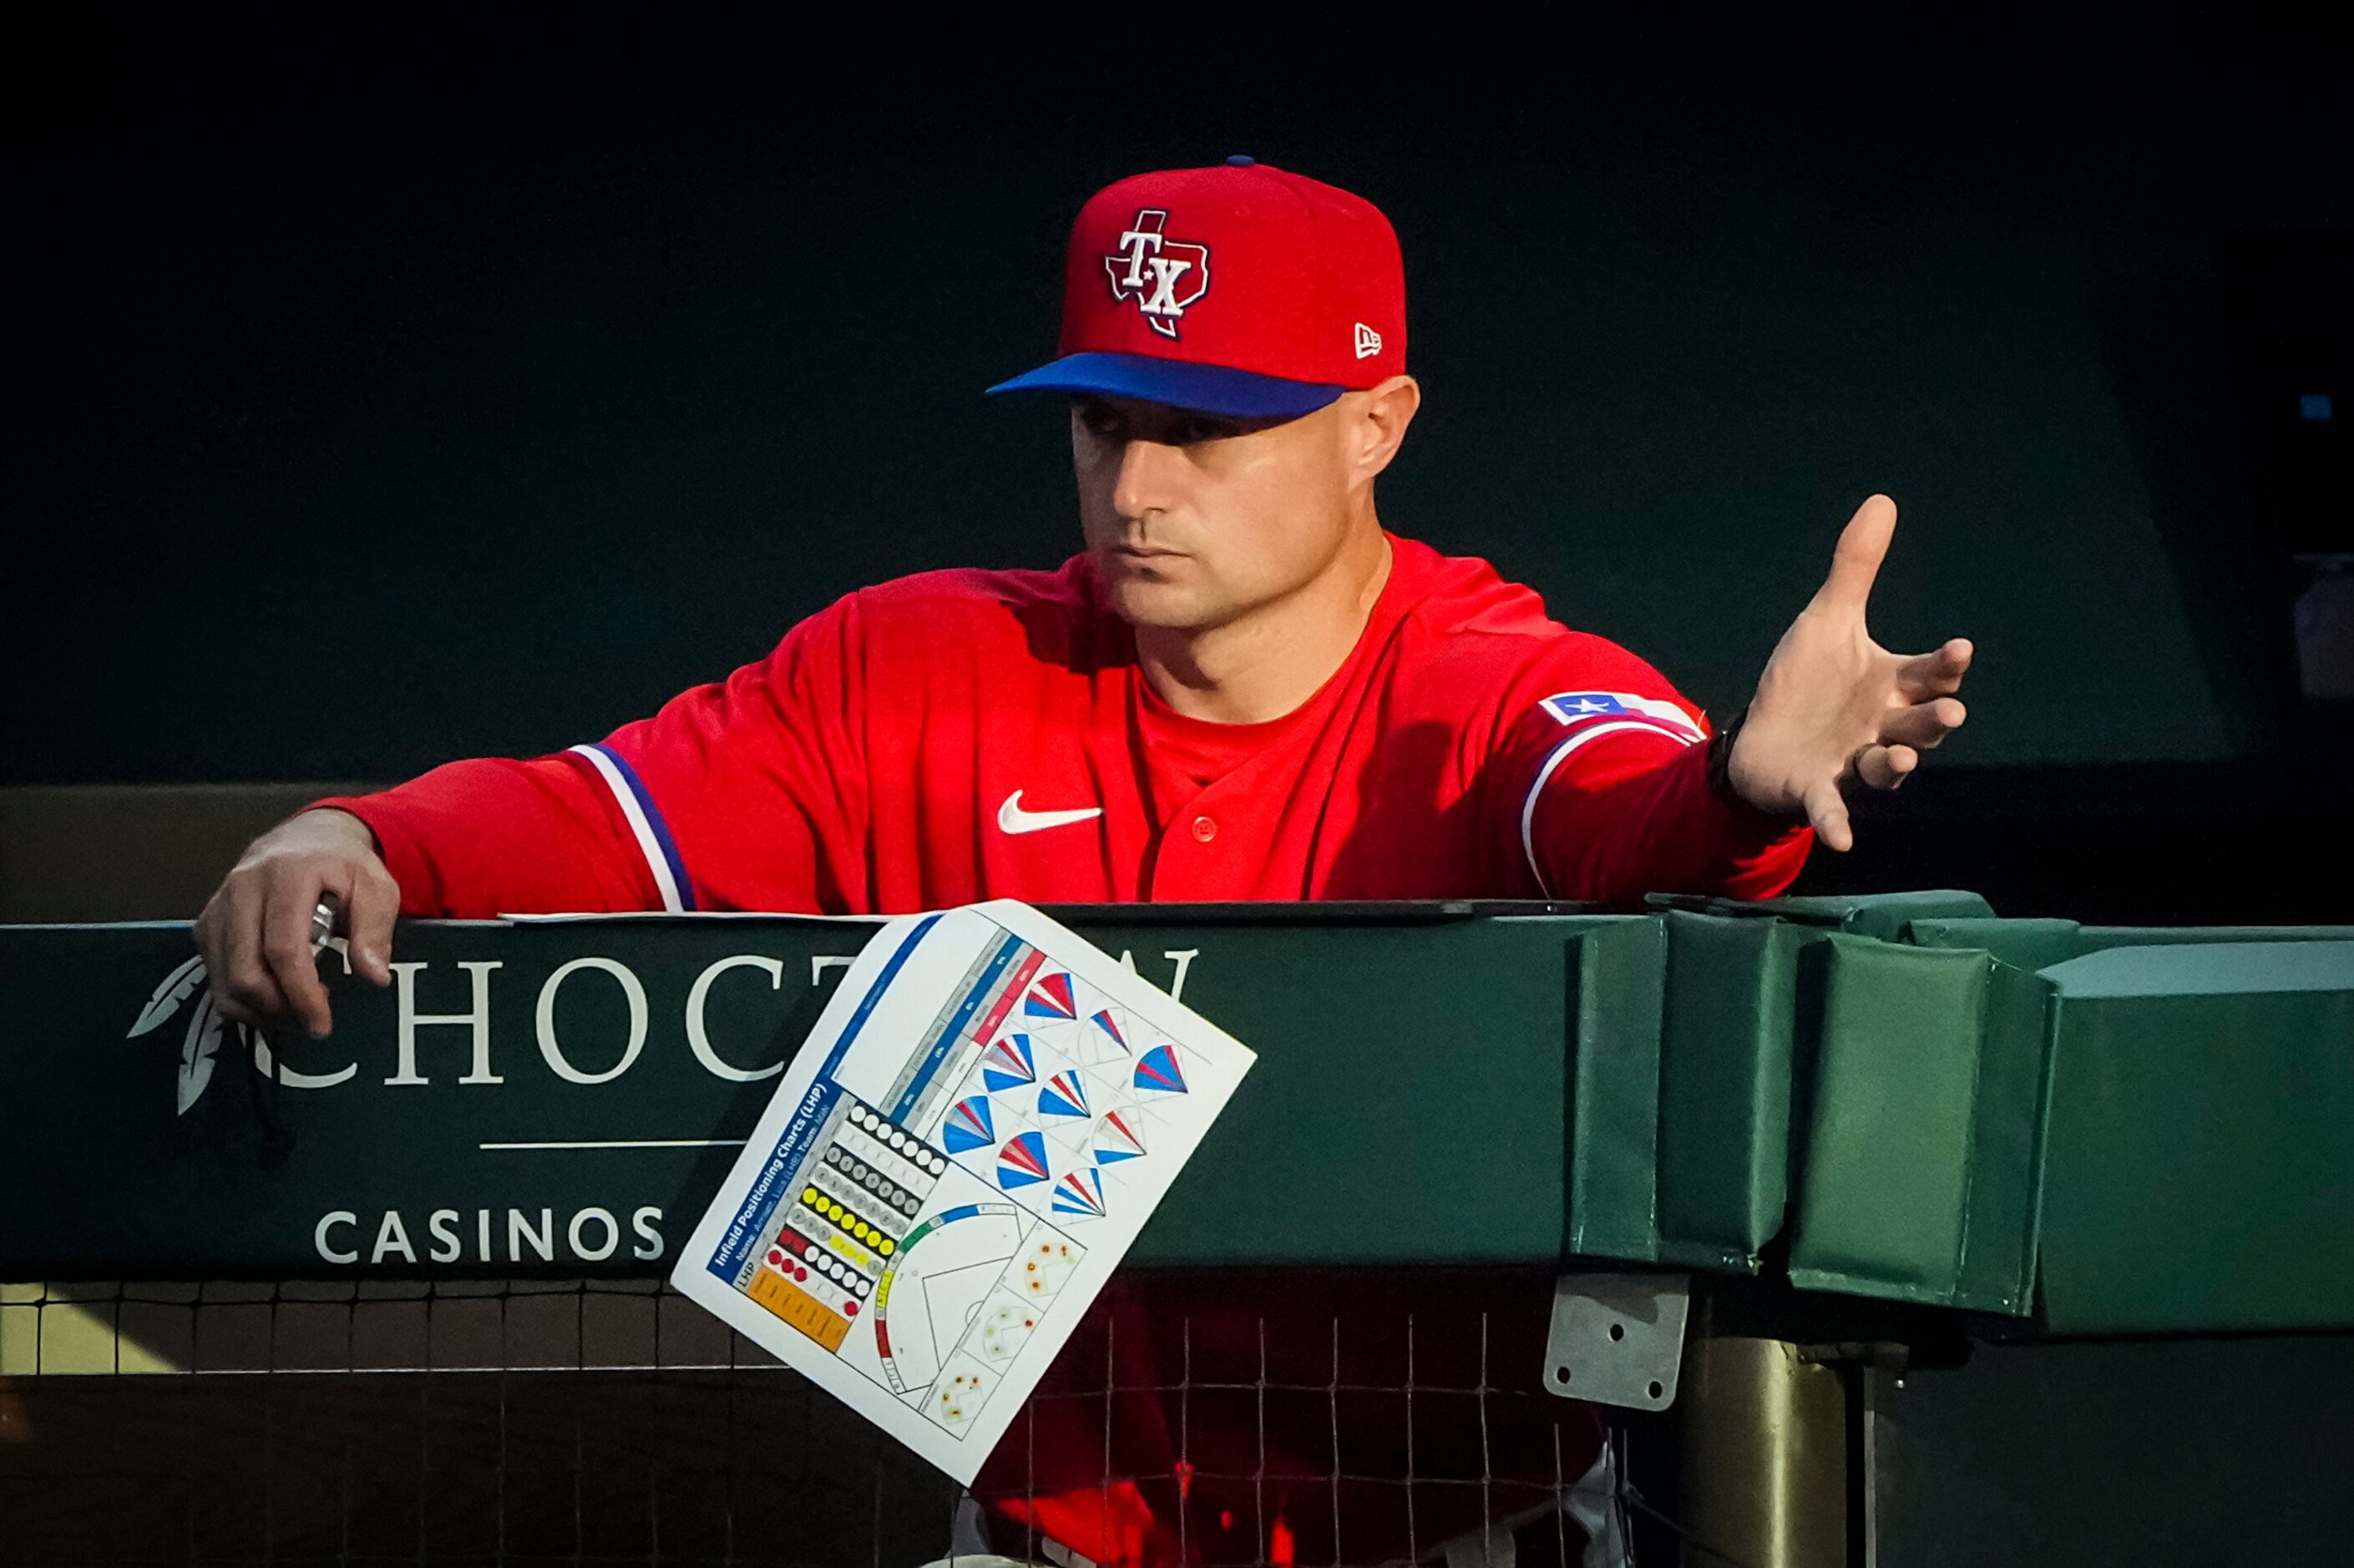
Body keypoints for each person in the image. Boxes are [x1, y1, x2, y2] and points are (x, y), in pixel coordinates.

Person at [195, 159, 1972, 1566]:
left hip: (1453, 1534)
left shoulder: (1477, 681)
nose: (1138, 483)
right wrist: (358, 833)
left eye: (1207, 429)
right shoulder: (924, 668)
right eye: (1107, 418)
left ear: (1379, 423)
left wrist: (1739, 797)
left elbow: (1613, 800)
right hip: (1051, 1535)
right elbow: (606, 816)